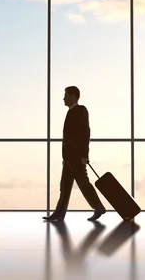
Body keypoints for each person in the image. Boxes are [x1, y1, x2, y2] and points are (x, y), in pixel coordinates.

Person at [43, 86, 107, 222]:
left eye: (66, 95)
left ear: (73, 96)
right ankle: (59, 214)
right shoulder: (70, 112)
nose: (63, 98)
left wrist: (84, 155)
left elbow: (85, 133)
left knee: (83, 184)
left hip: (77, 157)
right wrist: (64, 157)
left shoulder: (81, 110)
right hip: (68, 158)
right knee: (64, 186)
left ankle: (99, 207)